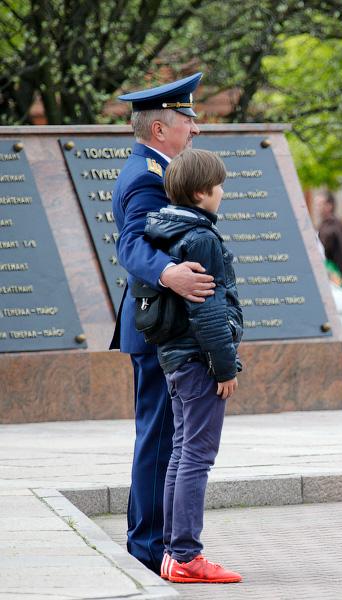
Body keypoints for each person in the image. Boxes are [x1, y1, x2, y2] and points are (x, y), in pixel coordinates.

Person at [110, 72, 214, 574]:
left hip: (157, 326)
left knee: (163, 438)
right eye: (188, 120)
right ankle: (148, 547)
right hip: (158, 329)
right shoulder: (148, 176)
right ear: (159, 129)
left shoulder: (154, 168)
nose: (195, 130)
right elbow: (132, 245)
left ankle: (149, 542)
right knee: (159, 440)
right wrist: (170, 272)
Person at [148, 149, 243, 583]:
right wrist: (225, 368)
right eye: (219, 185)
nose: (222, 192)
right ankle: (186, 556)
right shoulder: (200, 236)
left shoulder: (164, 228)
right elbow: (207, 310)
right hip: (198, 360)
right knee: (196, 458)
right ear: (202, 191)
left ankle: (172, 554)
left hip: (175, 358)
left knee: (183, 453)